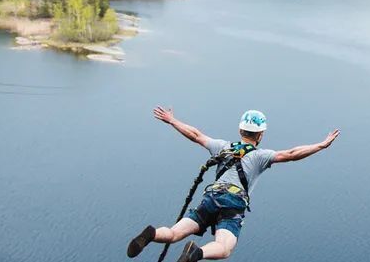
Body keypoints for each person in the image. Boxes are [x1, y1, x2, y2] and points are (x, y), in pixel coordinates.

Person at [127, 107, 340, 262]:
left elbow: (196, 135)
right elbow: (292, 154)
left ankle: (151, 234)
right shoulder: (260, 156)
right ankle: (196, 253)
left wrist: (173, 120)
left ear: (240, 131)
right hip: (232, 205)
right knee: (224, 248)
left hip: (210, 198)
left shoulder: (222, 147)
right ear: (261, 134)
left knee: (173, 233)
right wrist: (321, 145)